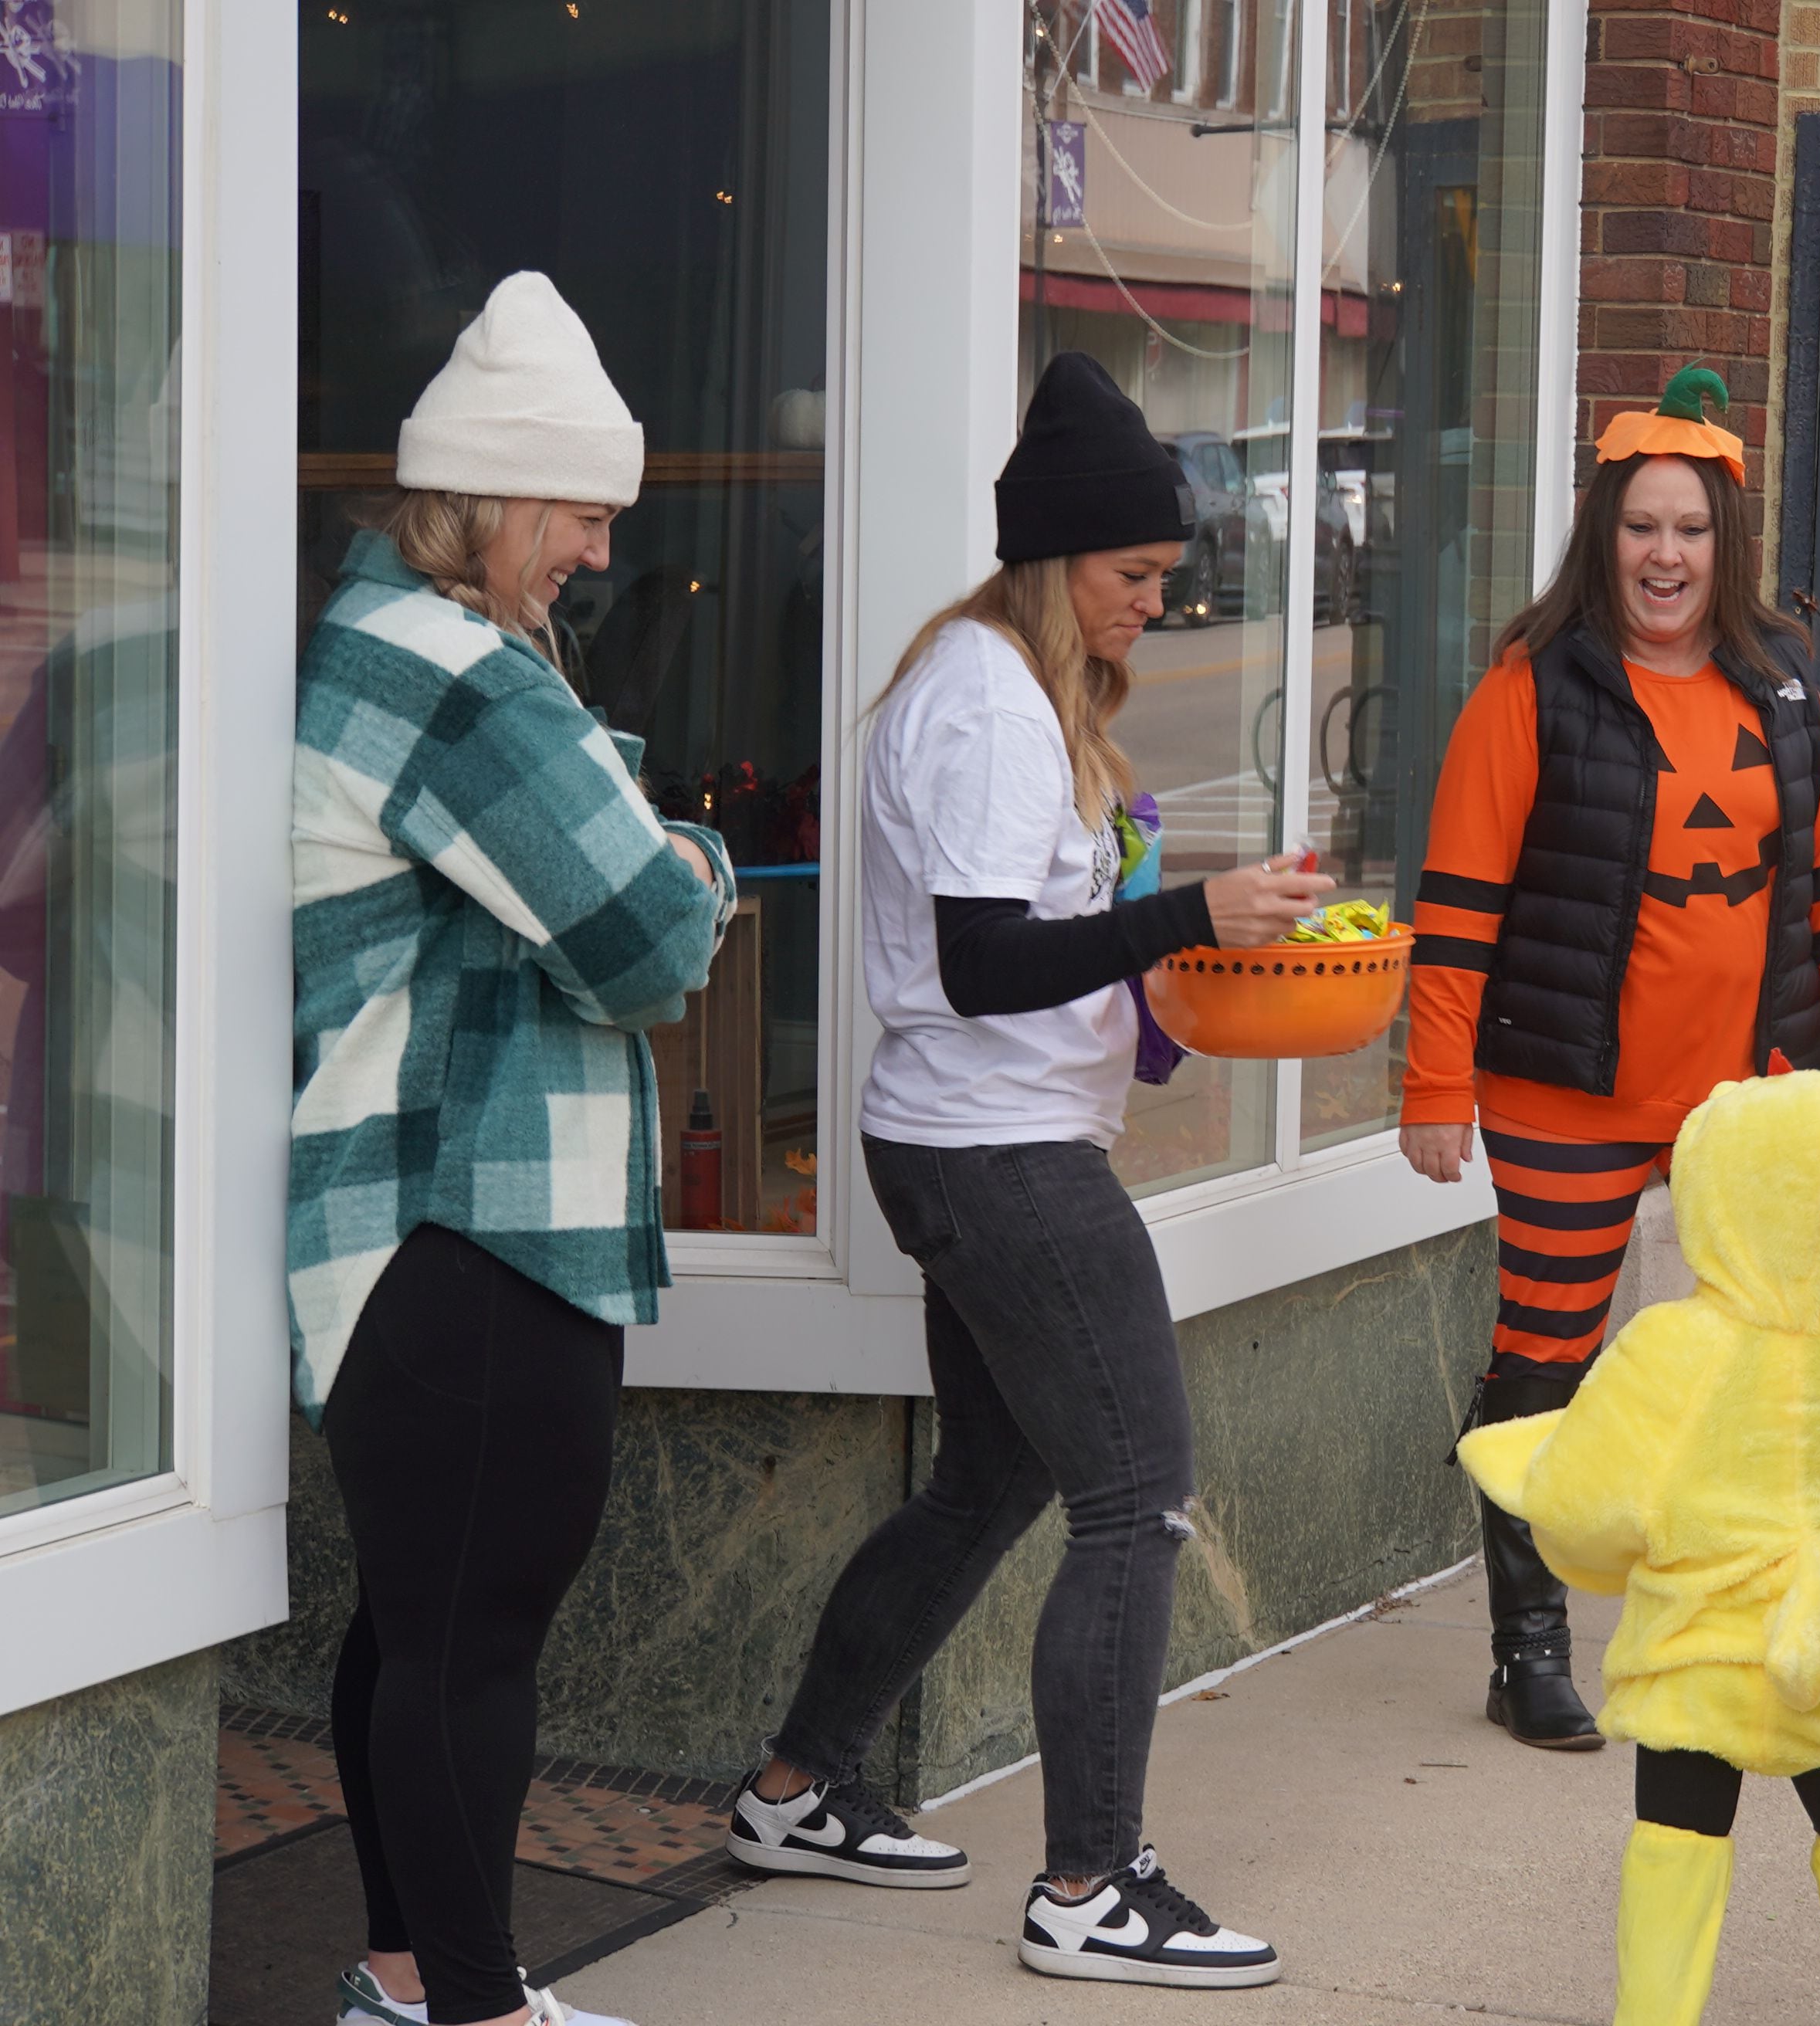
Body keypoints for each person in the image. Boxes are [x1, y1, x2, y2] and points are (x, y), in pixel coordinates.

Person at [721, 352, 1324, 1990]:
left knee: (989, 1483)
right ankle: (1091, 1884)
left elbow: (1020, 941)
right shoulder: (987, 696)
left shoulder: (1003, 689)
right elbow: (990, 960)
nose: (1155, 604)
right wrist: (1193, 918)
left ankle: (802, 1783)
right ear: (1059, 556)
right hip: (999, 1156)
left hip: (958, 1139)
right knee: (1137, 1500)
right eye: (1136, 576)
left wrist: (1179, 928)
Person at [296, 273, 734, 2026]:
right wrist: (688, 857)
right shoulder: (463, 678)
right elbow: (643, 933)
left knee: (421, 1624)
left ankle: (411, 1978)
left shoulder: (392, 643)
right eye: (576, 511)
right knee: (471, 1634)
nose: (596, 550)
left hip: (411, 1222)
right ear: (482, 494)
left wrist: (642, 849)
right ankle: (471, 2004)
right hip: (471, 1217)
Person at [1400, 367, 1820, 1749]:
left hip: (1746, 1105)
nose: (1664, 556)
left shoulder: (1786, 682)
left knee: (1756, 1356)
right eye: (1638, 529)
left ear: (1724, 541)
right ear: (1602, 536)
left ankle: (1733, 1601)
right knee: (1550, 1352)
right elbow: (1457, 905)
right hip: (1565, 1091)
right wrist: (1435, 1081)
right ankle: (1528, 1640)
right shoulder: (1531, 689)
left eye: (1688, 529)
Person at [1458, 1072, 1820, 2026]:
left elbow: (1582, 1499)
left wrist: (1603, 1552)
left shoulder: (1672, 1348)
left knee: (1675, 1851)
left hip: (1696, 1658)